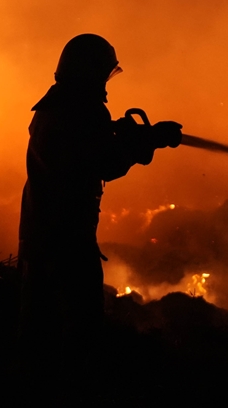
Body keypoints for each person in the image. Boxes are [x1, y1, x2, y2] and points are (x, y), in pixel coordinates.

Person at [17, 33, 181, 341]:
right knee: (79, 324)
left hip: (42, 235)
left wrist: (120, 130)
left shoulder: (57, 106)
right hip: (66, 240)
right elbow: (102, 163)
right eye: (103, 74)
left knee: (38, 323)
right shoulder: (79, 111)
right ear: (89, 73)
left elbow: (89, 146)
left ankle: (35, 381)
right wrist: (149, 140)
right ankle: (77, 385)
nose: (105, 83)